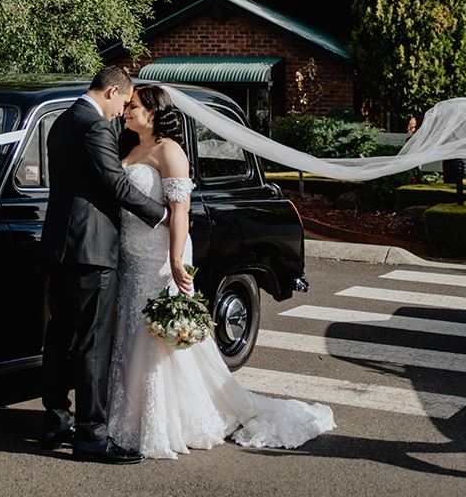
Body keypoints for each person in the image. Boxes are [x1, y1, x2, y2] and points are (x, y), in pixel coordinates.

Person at [106, 83, 335, 460]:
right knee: (130, 333)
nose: (127, 111)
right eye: (127, 105)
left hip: (160, 253)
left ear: (154, 112)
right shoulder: (129, 146)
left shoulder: (171, 152)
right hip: (130, 253)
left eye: (133, 106)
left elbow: (179, 212)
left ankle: (164, 419)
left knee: (156, 339)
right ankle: (127, 414)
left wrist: (177, 260)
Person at [39, 67, 167, 464]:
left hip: (60, 245)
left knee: (59, 336)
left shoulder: (61, 120)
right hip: (91, 248)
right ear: (112, 91)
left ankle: (56, 419)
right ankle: (91, 436)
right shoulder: (94, 126)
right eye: (122, 103)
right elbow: (115, 183)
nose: (120, 113)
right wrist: (159, 214)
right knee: (93, 342)